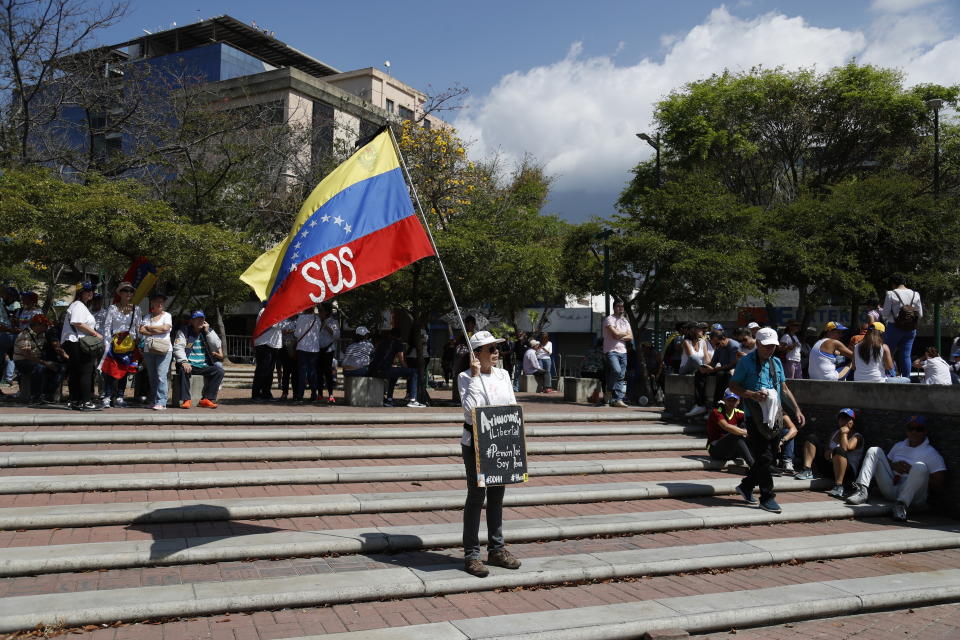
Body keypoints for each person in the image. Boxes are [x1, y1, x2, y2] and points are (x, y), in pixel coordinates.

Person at [458, 330, 522, 578]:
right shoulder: (464, 377)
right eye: (490, 349)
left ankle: (496, 549)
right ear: (477, 354)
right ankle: (471, 554)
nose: (496, 353)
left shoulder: (504, 374)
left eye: (497, 348)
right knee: (476, 495)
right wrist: (474, 377)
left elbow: (511, 405)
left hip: (501, 440)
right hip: (475, 441)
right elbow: (470, 410)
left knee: (497, 495)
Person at [729, 327, 806, 514]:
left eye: (773, 346)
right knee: (764, 456)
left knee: (769, 456)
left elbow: (784, 389)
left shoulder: (777, 362)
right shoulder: (745, 362)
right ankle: (767, 497)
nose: (770, 349)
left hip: (774, 415)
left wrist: (796, 409)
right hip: (754, 415)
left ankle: (747, 486)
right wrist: (751, 395)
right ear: (757, 344)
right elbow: (733, 385)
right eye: (766, 346)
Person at [846, 415, 946, 521]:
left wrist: (912, 471)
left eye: (919, 429)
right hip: (892, 488)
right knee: (874, 450)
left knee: (920, 466)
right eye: (910, 429)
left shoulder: (931, 453)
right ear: (906, 431)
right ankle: (862, 490)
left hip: (914, 497)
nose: (914, 432)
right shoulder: (899, 446)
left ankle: (901, 506)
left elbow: (939, 483)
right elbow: (885, 466)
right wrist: (894, 466)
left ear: (925, 431)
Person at [794, 408, 864, 499]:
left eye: (847, 419)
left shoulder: (857, 437)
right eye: (841, 418)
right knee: (812, 438)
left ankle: (839, 486)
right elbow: (828, 447)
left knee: (839, 450)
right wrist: (828, 452)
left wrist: (844, 434)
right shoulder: (835, 433)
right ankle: (807, 469)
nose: (843, 421)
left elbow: (845, 449)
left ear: (852, 421)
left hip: (846, 473)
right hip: (830, 467)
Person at [99, 282, 142, 408]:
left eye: (131, 291)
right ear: (120, 293)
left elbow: (138, 327)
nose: (128, 293)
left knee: (124, 371)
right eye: (126, 290)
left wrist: (137, 340)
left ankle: (120, 397)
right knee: (110, 370)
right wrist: (107, 342)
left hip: (129, 345)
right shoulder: (112, 308)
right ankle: (107, 396)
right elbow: (107, 326)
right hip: (114, 343)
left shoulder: (136, 309)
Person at [61, 282, 104, 411]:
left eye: (92, 290)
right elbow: (77, 322)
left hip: (74, 342)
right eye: (87, 290)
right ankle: (86, 402)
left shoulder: (79, 305)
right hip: (77, 342)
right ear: (80, 292)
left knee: (76, 372)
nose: (90, 292)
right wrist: (96, 333)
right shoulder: (79, 305)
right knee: (86, 372)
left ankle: (76, 401)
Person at [173, 311, 225, 409]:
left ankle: (207, 399)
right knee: (182, 370)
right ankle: (186, 399)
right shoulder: (184, 331)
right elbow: (178, 347)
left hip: (204, 365)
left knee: (219, 371)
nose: (200, 321)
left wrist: (208, 331)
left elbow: (217, 345)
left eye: (202, 319)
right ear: (192, 321)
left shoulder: (208, 331)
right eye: (197, 319)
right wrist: (184, 361)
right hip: (189, 364)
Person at [686, 329, 740, 417]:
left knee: (721, 375)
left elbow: (731, 365)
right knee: (699, 373)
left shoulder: (734, 346)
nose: (716, 346)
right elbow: (713, 362)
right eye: (714, 344)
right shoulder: (719, 347)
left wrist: (714, 370)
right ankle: (700, 404)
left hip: (731, 371)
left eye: (718, 343)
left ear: (724, 338)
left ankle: (716, 407)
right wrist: (706, 367)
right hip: (721, 369)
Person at [368, 327, 424, 407]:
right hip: (384, 370)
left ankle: (389, 400)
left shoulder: (382, 342)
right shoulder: (398, 343)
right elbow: (401, 361)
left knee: (394, 374)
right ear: (400, 337)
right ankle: (412, 400)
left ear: (390, 334)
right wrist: (407, 371)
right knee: (414, 372)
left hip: (373, 370)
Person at [882, 274, 922, 377]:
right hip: (911, 329)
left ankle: (891, 376)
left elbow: (885, 313)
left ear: (893, 283)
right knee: (906, 355)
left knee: (888, 352)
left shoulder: (891, 294)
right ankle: (906, 379)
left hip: (894, 327)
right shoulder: (915, 294)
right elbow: (920, 314)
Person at [139, 294, 173, 411]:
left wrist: (150, 329)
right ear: (152, 303)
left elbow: (165, 329)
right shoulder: (147, 317)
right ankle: (153, 400)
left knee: (161, 376)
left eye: (162, 302)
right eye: (157, 302)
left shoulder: (167, 315)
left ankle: (161, 401)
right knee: (152, 377)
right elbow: (141, 330)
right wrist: (156, 330)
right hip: (149, 350)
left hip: (164, 350)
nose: (160, 304)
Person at [12, 314, 55, 404]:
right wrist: (46, 363)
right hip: (22, 361)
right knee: (39, 368)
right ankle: (35, 396)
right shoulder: (24, 335)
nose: (47, 327)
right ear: (37, 325)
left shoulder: (43, 335)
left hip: (37, 360)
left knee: (59, 368)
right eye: (45, 325)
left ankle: (48, 395)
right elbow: (28, 356)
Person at [705, 389, 754, 466]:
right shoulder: (716, 412)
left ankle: (766, 464)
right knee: (736, 434)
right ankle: (753, 466)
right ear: (724, 399)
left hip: (731, 451)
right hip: (715, 450)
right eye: (729, 400)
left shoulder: (740, 414)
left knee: (757, 435)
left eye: (734, 400)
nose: (731, 402)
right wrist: (746, 432)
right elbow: (726, 426)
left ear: (738, 401)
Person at [603, 300, 632, 408]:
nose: (621, 308)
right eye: (619, 306)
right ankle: (609, 389)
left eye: (622, 306)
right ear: (614, 307)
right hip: (611, 350)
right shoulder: (609, 319)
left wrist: (620, 335)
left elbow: (631, 337)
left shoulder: (625, 321)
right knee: (616, 370)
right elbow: (614, 334)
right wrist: (622, 334)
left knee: (621, 376)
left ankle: (617, 400)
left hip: (623, 351)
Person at [252, 306, 283, 402]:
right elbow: (275, 324)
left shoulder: (280, 310)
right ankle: (256, 394)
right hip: (264, 343)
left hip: (274, 344)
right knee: (262, 369)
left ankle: (266, 393)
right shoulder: (264, 311)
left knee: (270, 370)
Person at [312, 303, 340, 405]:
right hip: (318, 349)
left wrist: (326, 326)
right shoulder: (316, 321)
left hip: (328, 350)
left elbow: (337, 335)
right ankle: (319, 394)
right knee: (318, 372)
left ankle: (331, 394)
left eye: (321, 310)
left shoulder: (333, 322)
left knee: (328, 373)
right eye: (319, 310)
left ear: (326, 312)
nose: (319, 312)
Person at [293, 309, 321, 403]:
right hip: (314, 348)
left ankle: (300, 395)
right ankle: (314, 394)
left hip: (302, 347)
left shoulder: (301, 318)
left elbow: (296, 334)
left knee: (302, 372)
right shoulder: (317, 318)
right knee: (312, 371)